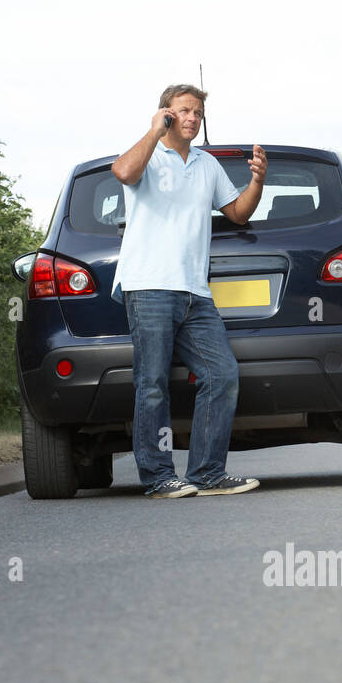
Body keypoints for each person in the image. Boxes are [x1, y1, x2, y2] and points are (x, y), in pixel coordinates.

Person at [111, 83, 267, 497]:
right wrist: (153, 131)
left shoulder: (206, 164)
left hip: (195, 292)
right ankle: (158, 477)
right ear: (165, 113)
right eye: (184, 111)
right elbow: (124, 173)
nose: (193, 118)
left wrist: (258, 181)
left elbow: (237, 212)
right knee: (152, 384)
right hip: (149, 287)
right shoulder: (147, 156)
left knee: (222, 374)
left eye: (198, 113)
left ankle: (207, 473)